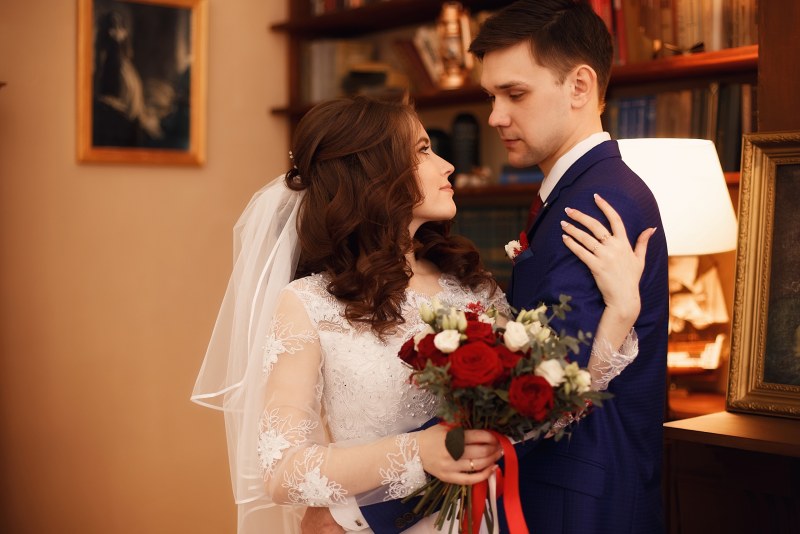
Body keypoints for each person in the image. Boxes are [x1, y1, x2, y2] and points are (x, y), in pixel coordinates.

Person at [191, 95, 652, 534]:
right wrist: (417, 450)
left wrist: (621, 311)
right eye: (424, 150)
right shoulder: (308, 303)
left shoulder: (472, 286)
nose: (447, 164)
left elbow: (543, 409)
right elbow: (281, 470)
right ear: (373, 173)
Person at [469, 1, 670, 532]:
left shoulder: (596, 203)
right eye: (491, 97)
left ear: (579, 86)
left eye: (515, 94)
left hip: (580, 502)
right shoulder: (582, 190)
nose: (495, 116)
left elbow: (552, 383)